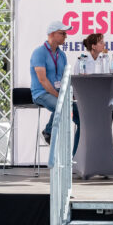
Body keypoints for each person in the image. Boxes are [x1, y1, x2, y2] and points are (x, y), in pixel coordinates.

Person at [29, 21, 79, 151]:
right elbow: (42, 80)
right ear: (52, 34)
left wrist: (69, 93)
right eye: (62, 33)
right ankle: (49, 131)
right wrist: (60, 96)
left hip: (57, 92)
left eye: (65, 34)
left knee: (80, 113)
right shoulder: (39, 53)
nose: (65, 36)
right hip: (41, 93)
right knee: (61, 105)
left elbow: (64, 78)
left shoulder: (61, 55)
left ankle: (76, 156)